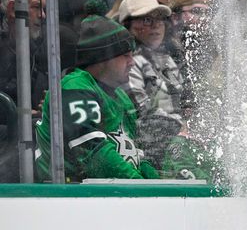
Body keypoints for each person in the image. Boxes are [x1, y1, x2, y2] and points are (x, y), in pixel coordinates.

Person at [35, 11, 160, 182]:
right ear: (103, 57)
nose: (132, 62)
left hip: (111, 190)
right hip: (68, 195)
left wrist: (156, 182)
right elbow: (92, 152)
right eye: (125, 56)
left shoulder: (120, 96)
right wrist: (139, 185)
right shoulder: (75, 87)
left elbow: (137, 153)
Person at [118, 0, 183, 171]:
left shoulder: (167, 58)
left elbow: (184, 102)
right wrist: (182, 129)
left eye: (159, 19)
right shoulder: (128, 63)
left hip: (175, 141)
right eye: (146, 20)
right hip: (146, 150)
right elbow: (140, 112)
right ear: (126, 26)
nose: (155, 26)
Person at [0, 0, 48, 115]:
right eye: (36, 7)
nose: (43, 15)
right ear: (13, 9)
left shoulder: (45, 46)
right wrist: (22, 114)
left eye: (43, 9)